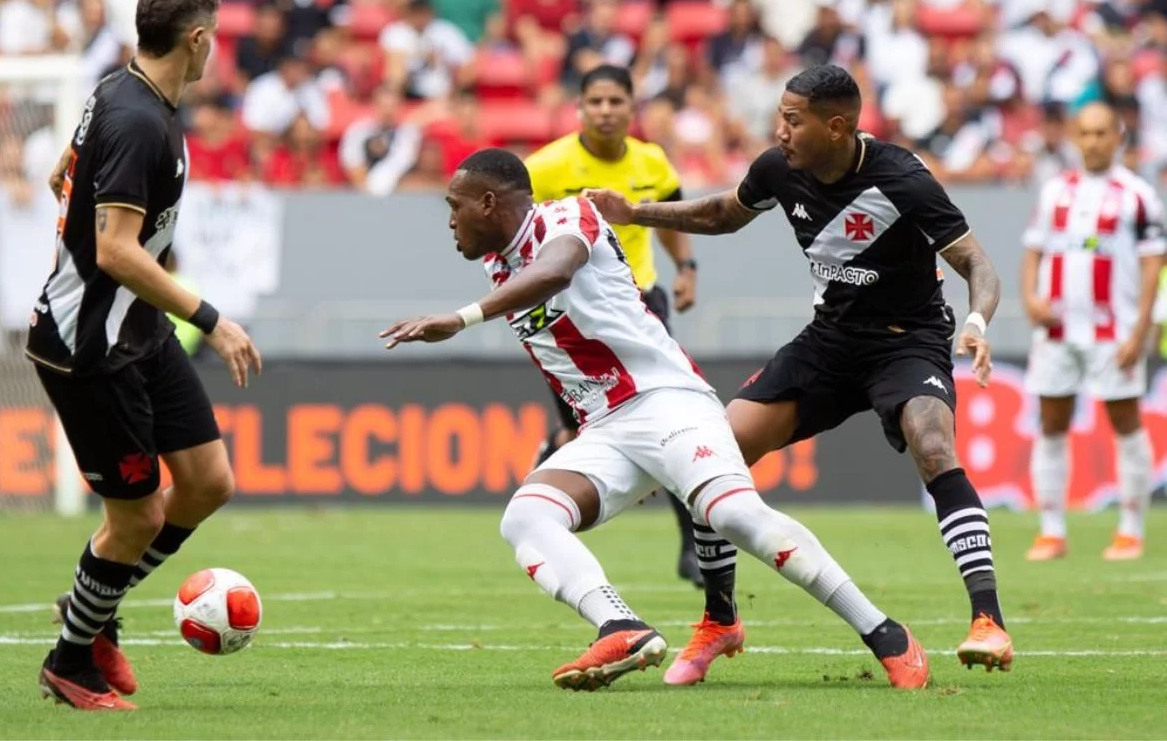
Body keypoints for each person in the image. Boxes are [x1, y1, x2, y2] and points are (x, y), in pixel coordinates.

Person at [380, 148, 931, 692]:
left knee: (734, 514)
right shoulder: (499, 263)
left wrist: (462, 317)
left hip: (667, 400)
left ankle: (884, 632)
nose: (450, 219)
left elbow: (557, 271)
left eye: (455, 205)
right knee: (525, 517)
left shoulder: (567, 217)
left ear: (489, 200)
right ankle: (621, 626)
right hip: (608, 430)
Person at [585, 64, 1015, 683]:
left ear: (835, 126)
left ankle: (988, 622)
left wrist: (976, 321)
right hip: (829, 342)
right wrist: (636, 213)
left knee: (932, 442)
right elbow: (723, 214)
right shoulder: (778, 168)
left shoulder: (901, 177)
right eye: (780, 117)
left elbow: (976, 262)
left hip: (908, 342)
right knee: (715, 452)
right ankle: (720, 620)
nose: (779, 130)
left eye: (792, 119)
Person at [26, 0, 261, 710]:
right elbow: (116, 251)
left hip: (138, 329)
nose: (214, 52)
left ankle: (88, 609)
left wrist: (78, 185)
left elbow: (63, 167)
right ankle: (74, 661)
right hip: (89, 346)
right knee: (138, 517)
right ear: (196, 40)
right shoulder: (135, 120)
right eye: (213, 39)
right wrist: (213, 319)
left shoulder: (124, 90)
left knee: (208, 485)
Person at [524, 64, 704, 587]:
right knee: (589, 430)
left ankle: (691, 547)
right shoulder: (547, 166)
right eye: (595, 102)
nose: (605, 111)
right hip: (572, 316)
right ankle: (554, 463)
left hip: (642, 305)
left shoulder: (652, 160)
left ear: (631, 108)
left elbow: (670, 213)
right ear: (579, 108)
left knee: (669, 421)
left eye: (615, 102)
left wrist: (687, 269)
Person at [1021, 102, 1165, 563]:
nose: (1093, 141)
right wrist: (1030, 298)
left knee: (1124, 423)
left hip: (1113, 329)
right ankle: (1051, 530)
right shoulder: (1055, 191)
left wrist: (1141, 328)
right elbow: (1034, 252)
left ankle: (1130, 529)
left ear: (1118, 137)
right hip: (1058, 329)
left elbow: (1152, 263)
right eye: (1084, 133)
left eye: (1102, 133)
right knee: (1051, 423)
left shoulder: (1138, 194)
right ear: (1073, 137)